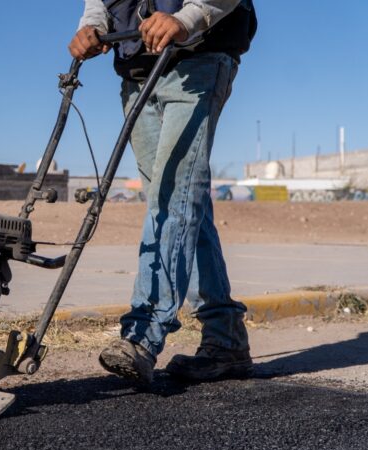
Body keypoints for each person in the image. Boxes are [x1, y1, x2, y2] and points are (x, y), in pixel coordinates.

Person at [68, 0, 257, 383]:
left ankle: (143, 334)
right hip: (137, 74)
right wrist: (93, 25)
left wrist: (186, 18)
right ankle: (226, 339)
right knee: (183, 202)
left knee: (171, 197)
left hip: (197, 61)